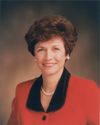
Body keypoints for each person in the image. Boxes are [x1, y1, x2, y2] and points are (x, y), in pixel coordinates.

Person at [7, 15, 99, 125]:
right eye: (41, 49)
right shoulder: (22, 91)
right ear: (34, 55)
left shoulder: (87, 91)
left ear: (67, 53)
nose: (48, 57)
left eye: (55, 49)